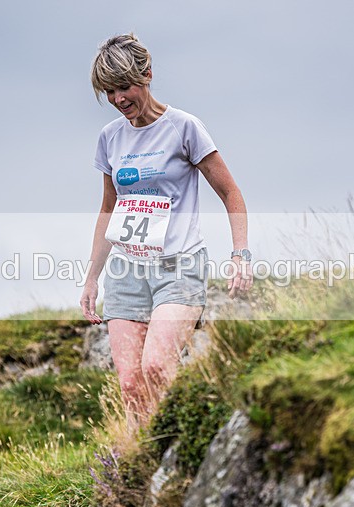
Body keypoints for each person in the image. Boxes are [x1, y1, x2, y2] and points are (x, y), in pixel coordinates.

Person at [79, 33, 252, 427]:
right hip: (127, 272)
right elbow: (108, 209)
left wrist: (240, 254)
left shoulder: (184, 127)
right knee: (130, 384)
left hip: (179, 266)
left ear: (148, 75)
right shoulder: (110, 138)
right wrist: (92, 278)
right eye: (109, 91)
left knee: (157, 368)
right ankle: (144, 468)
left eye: (124, 86)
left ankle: (186, 446)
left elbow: (231, 192)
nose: (119, 99)